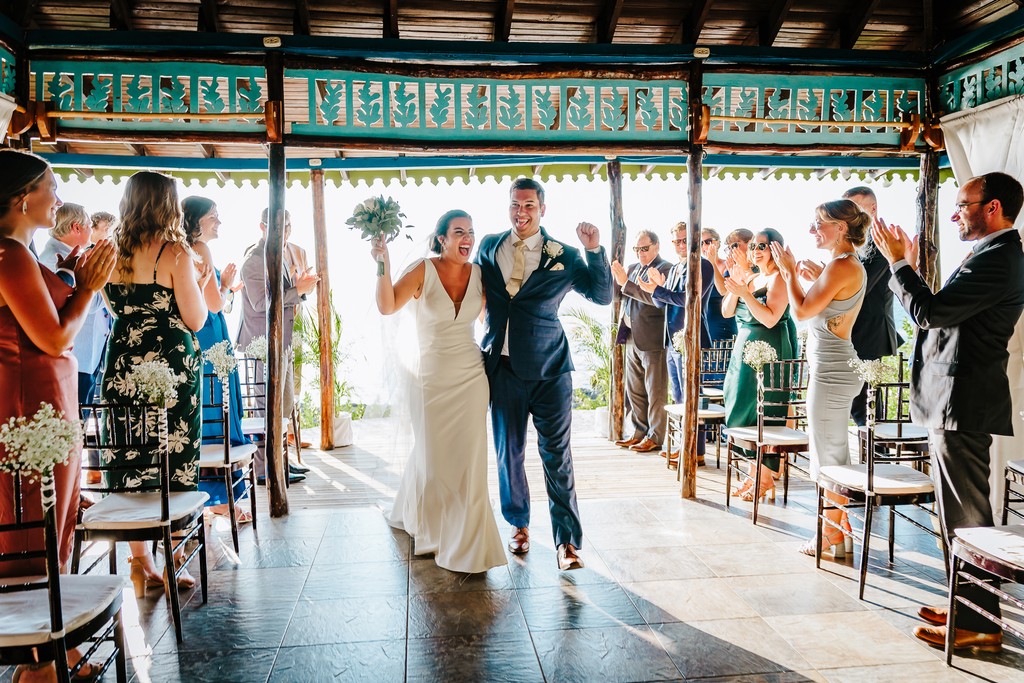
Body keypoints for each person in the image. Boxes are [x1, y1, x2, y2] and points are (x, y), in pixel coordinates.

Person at [872, 172, 1024, 654]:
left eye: (963, 205)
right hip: (952, 401)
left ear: (993, 208)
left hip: (965, 403)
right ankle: (965, 603)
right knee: (954, 514)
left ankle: (980, 624)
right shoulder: (989, 254)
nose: (955, 212)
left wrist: (899, 265)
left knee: (967, 517)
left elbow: (930, 313)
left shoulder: (1001, 259)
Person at [0, 150, 116, 683]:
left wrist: (69, 275)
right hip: (31, 403)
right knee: (34, 520)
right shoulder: (10, 254)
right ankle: (38, 660)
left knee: (56, 517)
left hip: (47, 399)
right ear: (24, 198)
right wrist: (89, 286)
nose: (59, 196)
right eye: (51, 187)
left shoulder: (23, 253)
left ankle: (56, 643)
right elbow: (51, 336)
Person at [477, 177, 612, 571]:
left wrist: (594, 251)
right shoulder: (488, 245)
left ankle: (567, 543)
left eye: (529, 206)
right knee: (509, 454)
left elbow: (602, 296)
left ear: (542, 209)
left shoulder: (566, 255)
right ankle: (518, 524)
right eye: (515, 205)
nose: (521, 213)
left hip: (551, 368)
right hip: (501, 368)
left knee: (557, 456)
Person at [373, 210, 506, 574]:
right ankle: (426, 521)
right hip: (430, 378)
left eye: (471, 232)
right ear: (441, 238)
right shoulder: (423, 269)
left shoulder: (480, 274)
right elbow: (387, 306)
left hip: (471, 376)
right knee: (433, 459)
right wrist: (381, 263)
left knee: (470, 462)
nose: (467, 238)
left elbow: (495, 318)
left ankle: (470, 544)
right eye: (458, 231)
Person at [102, 171, 210, 596]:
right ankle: (173, 559)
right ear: (167, 203)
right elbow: (196, 319)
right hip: (171, 366)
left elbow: (113, 309)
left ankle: (140, 562)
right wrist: (200, 284)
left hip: (124, 361)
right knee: (173, 456)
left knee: (131, 456)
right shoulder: (176, 253)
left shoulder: (108, 253)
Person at [772, 200, 870, 556]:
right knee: (832, 455)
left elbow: (799, 311)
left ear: (841, 228)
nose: (813, 230)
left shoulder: (842, 266)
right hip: (834, 368)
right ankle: (838, 534)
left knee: (827, 458)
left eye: (819, 224)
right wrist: (811, 280)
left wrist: (788, 273)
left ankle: (830, 533)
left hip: (831, 372)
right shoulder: (841, 266)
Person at [181, 196, 251, 523]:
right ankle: (220, 501)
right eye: (213, 216)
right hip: (211, 335)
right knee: (218, 409)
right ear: (196, 221)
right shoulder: (200, 249)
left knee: (206, 412)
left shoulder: (184, 248)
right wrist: (227, 288)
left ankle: (208, 499)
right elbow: (214, 305)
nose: (219, 222)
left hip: (201, 336)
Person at [236, 209, 318, 485]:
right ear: (262, 226)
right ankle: (263, 470)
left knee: (282, 408)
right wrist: (300, 291)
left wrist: (299, 287)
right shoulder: (254, 259)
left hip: (281, 341)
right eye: (279, 226)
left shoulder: (280, 254)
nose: (286, 230)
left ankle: (280, 463)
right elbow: (261, 304)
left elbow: (281, 294)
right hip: (261, 344)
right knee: (263, 410)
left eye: (289, 224)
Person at [721, 228, 798, 502]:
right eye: (753, 245)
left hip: (769, 350)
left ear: (775, 248)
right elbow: (727, 311)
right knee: (741, 410)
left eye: (762, 245)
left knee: (764, 413)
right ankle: (752, 474)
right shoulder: (753, 277)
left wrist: (747, 294)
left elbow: (769, 318)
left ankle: (764, 478)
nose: (755, 250)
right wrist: (738, 288)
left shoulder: (779, 279)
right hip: (743, 352)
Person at [636, 222, 715, 467]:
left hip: (691, 339)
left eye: (684, 240)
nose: (681, 245)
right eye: (677, 241)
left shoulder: (702, 265)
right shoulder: (675, 268)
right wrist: (654, 290)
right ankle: (684, 446)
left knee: (693, 398)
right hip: (671, 340)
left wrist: (660, 290)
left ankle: (695, 451)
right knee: (680, 397)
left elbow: (690, 299)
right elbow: (664, 303)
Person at [837, 187, 900, 426]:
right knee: (857, 401)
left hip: (871, 330)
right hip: (855, 329)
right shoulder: (856, 243)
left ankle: (877, 455)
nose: (849, 216)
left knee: (867, 404)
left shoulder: (879, 240)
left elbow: (863, 283)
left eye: (854, 209)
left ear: (872, 209)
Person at [38, 203, 112, 405]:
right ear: (76, 228)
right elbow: (90, 303)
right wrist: (104, 279)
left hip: (86, 356)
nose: (91, 229)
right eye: (89, 224)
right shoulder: (53, 260)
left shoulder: (71, 256)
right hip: (75, 356)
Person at [611, 230, 673, 454]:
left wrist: (626, 283)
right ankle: (638, 432)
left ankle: (655, 436)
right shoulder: (634, 268)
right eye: (637, 249)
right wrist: (617, 281)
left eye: (644, 248)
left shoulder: (665, 268)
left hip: (653, 338)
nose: (640, 253)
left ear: (656, 246)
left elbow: (654, 298)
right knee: (634, 390)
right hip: (630, 336)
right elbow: (622, 295)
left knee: (655, 391)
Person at [700, 227, 738, 342]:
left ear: (717, 242)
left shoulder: (728, 265)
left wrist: (712, 262)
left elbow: (723, 290)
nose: (704, 246)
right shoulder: (698, 269)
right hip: (704, 324)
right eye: (700, 243)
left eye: (708, 242)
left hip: (723, 323)